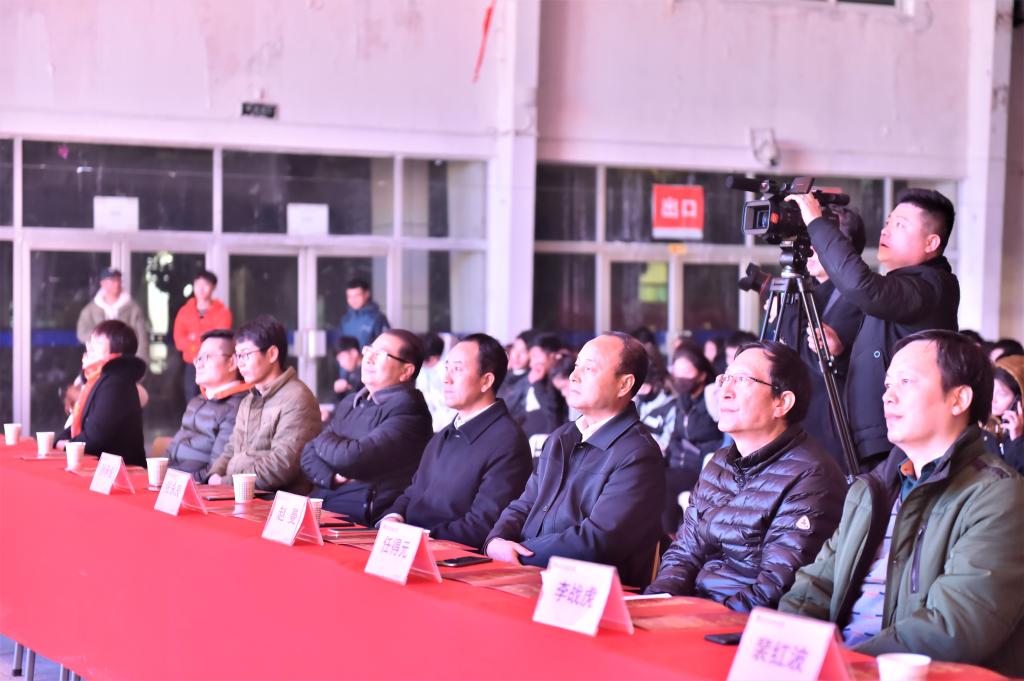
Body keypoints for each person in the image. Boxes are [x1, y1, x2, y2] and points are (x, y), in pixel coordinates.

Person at [779, 330, 1024, 677]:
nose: (888, 397)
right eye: (887, 385)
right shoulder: (871, 489)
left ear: (959, 399)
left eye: (906, 381)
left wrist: (844, 664)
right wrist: (790, 648)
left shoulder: (997, 495)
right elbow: (814, 586)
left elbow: (956, 625)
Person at [645, 341, 846, 611]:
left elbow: (776, 587)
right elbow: (683, 552)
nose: (724, 392)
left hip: (740, 624)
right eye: (725, 378)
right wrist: (659, 602)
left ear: (782, 402)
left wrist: (700, 619)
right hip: (692, 613)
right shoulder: (719, 463)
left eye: (741, 380)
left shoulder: (812, 477)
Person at [787, 188, 960, 470]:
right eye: (888, 221)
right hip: (875, 439)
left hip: (898, 444)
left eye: (900, 225)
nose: (886, 230)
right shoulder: (901, 286)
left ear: (931, 242)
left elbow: (861, 287)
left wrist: (816, 223)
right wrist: (840, 354)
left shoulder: (932, 286)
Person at [485, 333, 665, 588]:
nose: (573, 376)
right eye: (576, 365)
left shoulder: (638, 454)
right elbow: (525, 504)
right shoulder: (562, 436)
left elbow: (597, 541)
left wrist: (519, 555)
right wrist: (496, 540)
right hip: (528, 573)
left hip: (584, 591)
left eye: (589, 369)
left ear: (624, 384)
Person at [379, 334, 532, 549]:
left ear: (486, 381)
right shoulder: (445, 434)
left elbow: (481, 527)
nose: (446, 379)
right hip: (409, 546)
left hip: (448, 555)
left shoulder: (508, 442)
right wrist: (393, 518)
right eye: (447, 368)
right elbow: (413, 492)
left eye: (457, 369)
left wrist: (413, 537)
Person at [301, 330, 433, 524]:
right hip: (326, 503)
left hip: (361, 519)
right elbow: (307, 454)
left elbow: (352, 457)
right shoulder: (351, 402)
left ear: (406, 371)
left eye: (380, 355)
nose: (368, 359)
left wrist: (321, 439)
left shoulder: (409, 410)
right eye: (368, 351)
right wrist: (333, 477)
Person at [773, 207, 866, 470]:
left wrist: (787, 310)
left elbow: (815, 361)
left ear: (841, 246)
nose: (808, 250)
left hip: (832, 428)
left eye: (816, 241)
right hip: (804, 420)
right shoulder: (814, 290)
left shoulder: (855, 297)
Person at [208, 315, 321, 493]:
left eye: (246, 355)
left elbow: (282, 465)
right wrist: (214, 475)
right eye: (238, 356)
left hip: (273, 500)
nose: (240, 364)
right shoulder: (248, 400)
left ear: (272, 354)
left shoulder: (298, 399)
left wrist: (224, 483)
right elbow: (231, 448)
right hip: (239, 493)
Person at [58, 320, 146, 467]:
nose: (88, 347)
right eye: (90, 342)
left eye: (97, 344)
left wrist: (66, 445)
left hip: (121, 473)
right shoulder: (97, 379)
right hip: (101, 468)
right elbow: (82, 426)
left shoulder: (117, 383)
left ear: (116, 354)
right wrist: (58, 441)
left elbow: (95, 437)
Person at [166, 330, 250, 482]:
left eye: (206, 357)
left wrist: (173, 481)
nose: (199, 364)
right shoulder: (196, 401)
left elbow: (214, 470)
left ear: (232, 363)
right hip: (173, 482)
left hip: (196, 487)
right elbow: (171, 451)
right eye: (198, 358)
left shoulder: (239, 407)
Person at [663, 343, 723, 532]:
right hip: (676, 465)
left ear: (702, 375)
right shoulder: (682, 401)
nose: (680, 378)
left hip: (699, 468)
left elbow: (722, 440)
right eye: (677, 372)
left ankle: (669, 537)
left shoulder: (712, 400)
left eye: (686, 372)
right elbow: (675, 436)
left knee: (663, 481)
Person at [172, 270, 233, 402]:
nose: (201, 288)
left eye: (205, 284)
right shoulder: (185, 311)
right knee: (191, 399)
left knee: (214, 398)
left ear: (213, 287)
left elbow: (219, 340)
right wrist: (197, 346)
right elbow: (178, 339)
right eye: (197, 284)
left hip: (214, 363)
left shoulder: (222, 312)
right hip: (191, 364)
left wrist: (193, 339)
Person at [76, 267, 148, 361]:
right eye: (113, 281)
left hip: (126, 359)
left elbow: (142, 338)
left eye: (119, 280)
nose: (117, 284)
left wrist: (141, 361)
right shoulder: (90, 310)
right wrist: (102, 338)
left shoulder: (133, 309)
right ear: (103, 283)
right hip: (98, 359)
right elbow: (82, 333)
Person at [983, 354, 1024, 474]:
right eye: (991, 390)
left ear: (1019, 398)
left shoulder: (1017, 432)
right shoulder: (984, 424)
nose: (993, 399)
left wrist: (1017, 440)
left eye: (1001, 394)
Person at [416, 332, 456, 432]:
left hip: (446, 425)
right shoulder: (424, 370)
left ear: (434, 358)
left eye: (423, 362)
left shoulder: (448, 372)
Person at [338, 278, 389, 350]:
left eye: (357, 295)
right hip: (350, 357)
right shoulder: (345, 320)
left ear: (367, 294)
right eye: (349, 296)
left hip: (369, 357)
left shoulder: (378, 318)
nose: (353, 300)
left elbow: (386, 346)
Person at [332, 335, 363, 400]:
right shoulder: (350, 373)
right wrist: (339, 392)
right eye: (339, 361)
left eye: (342, 358)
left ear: (354, 353)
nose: (341, 364)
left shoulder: (367, 373)